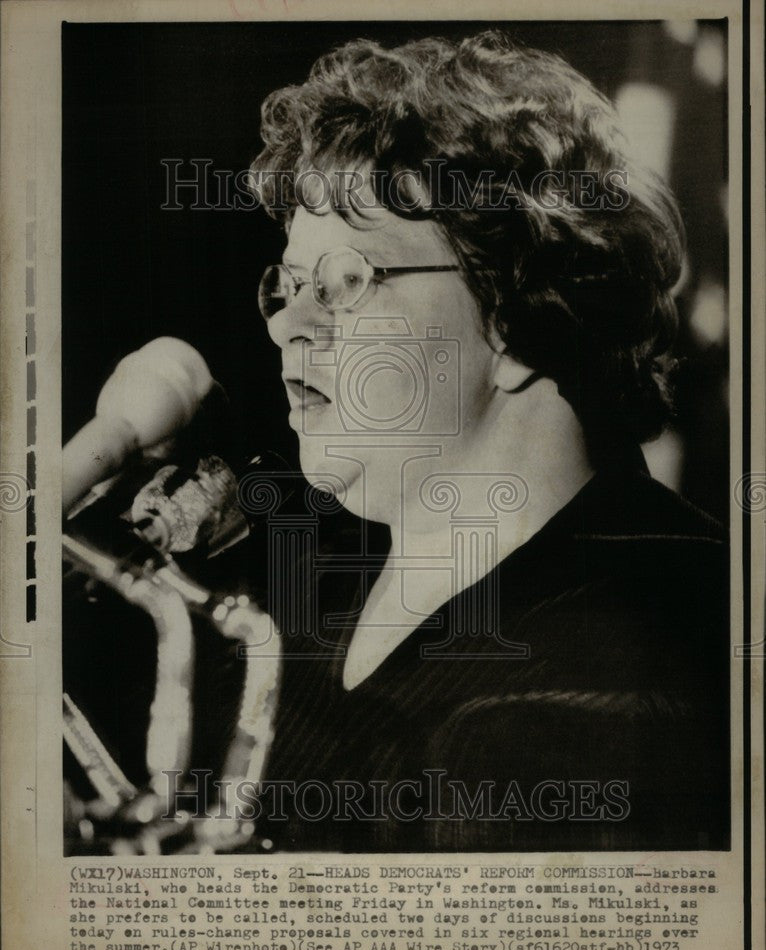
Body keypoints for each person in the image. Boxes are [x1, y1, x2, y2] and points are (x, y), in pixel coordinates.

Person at [244, 30, 729, 852]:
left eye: (345, 281)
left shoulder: (683, 647)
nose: (291, 322)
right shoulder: (294, 605)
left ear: (517, 321)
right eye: (288, 286)